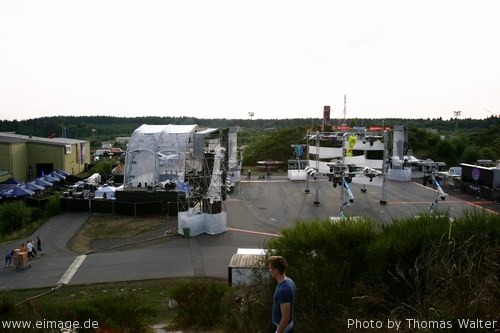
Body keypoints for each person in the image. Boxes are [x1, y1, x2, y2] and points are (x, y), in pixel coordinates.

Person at [268, 256, 296, 333]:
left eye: (270, 268)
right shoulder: (289, 281)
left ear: (276, 270)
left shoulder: (283, 290)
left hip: (282, 328)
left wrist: (278, 331)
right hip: (282, 324)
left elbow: (285, 318)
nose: (269, 270)